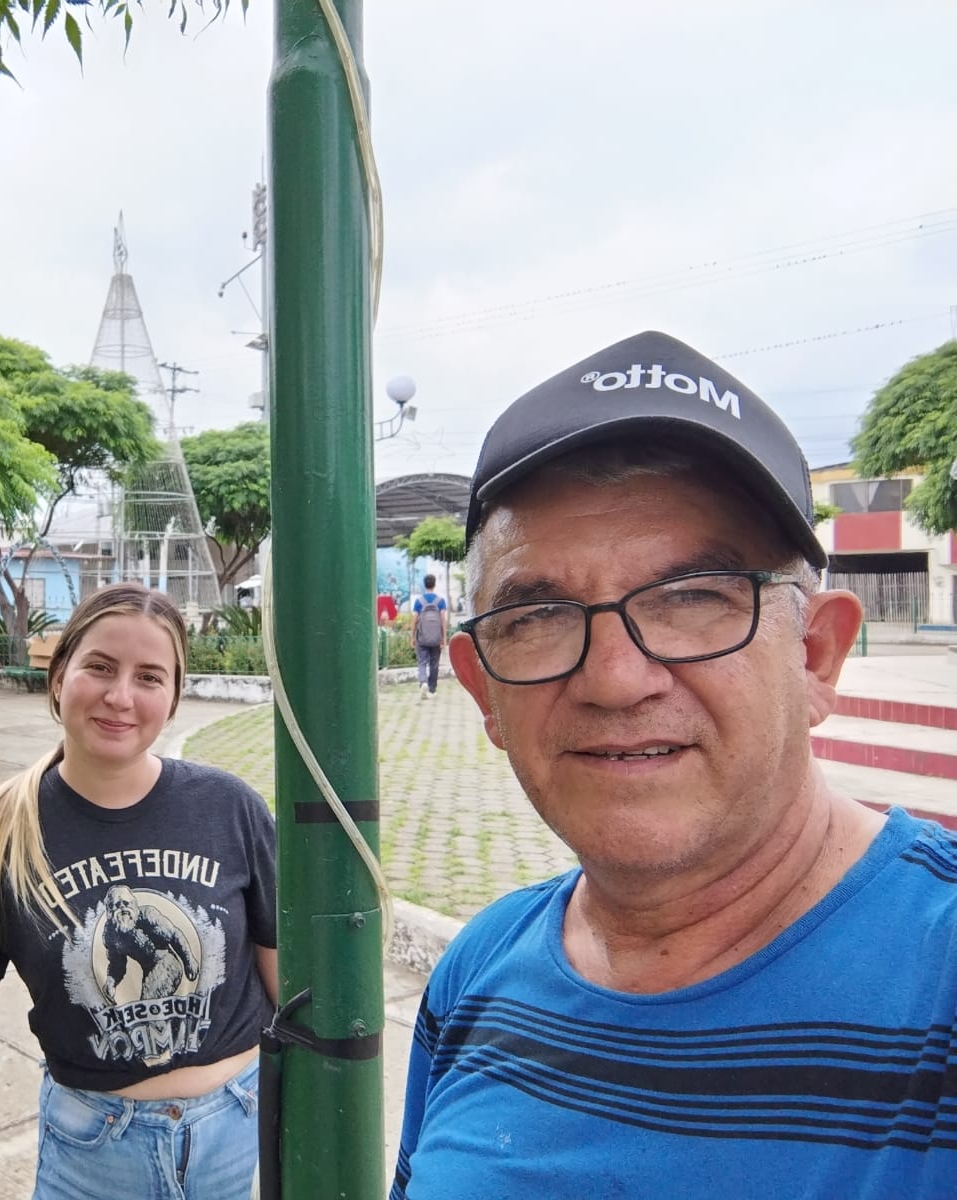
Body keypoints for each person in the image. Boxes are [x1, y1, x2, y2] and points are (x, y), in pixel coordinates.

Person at [391, 330, 957, 1198]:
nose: (614, 680)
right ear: (482, 690)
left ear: (814, 655)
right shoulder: (478, 973)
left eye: (692, 598)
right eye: (538, 615)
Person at [0, 582, 277, 1200]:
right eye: (99, 667)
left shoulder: (230, 809)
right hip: (93, 1156)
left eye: (149, 677)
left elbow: (291, 998)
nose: (120, 696)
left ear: (174, 697)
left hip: (234, 1139)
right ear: (58, 678)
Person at [410, 574, 448, 698]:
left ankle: (423, 682)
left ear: (424, 584)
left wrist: (412, 637)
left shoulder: (419, 601)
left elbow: (414, 620)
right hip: (436, 638)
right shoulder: (440, 601)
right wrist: (444, 638)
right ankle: (432, 689)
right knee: (434, 664)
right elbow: (443, 620)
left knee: (422, 662)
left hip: (422, 638)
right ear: (434, 584)